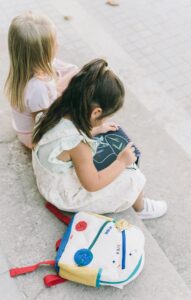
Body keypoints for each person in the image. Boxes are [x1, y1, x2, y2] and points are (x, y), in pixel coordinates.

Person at [32, 58, 167, 219]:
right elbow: (92, 184)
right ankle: (141, 208)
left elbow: (64, 135)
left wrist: (97, 129)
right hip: (63, 195)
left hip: (47, 178)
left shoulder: (55, 110)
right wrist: (122, 162)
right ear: (96, 112)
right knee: (133, 176)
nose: (103, 121)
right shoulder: (78, 146)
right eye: (104, 117)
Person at [4, 12, 78, 149]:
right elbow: (44, 125)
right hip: (32, 138)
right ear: (42, 54)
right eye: (54, 42)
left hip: (24, 124)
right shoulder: (38, 88)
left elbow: (63, 68)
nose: (58, 44)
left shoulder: (24, 66)